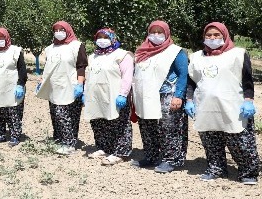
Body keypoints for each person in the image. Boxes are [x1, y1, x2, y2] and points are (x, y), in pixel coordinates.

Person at [185, 22, 259, 184]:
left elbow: (247, 80)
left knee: (240, 141)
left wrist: (248, 100)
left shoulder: (238, 54)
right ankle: (216, 168)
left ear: (224, 35)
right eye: (209, 35)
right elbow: (191, 82)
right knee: (211, 140)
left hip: (233, 106)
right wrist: (189, 100)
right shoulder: (196, 57)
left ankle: (248, 172)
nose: (212, 38)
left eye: (216, 35)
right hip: (205, 107)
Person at [131, 21, 188, 173]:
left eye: (160, 32)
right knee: (147, 126)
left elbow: (183, 75)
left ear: (167, 34)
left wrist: (179, 96)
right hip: (146, 95)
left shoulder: (176, 52)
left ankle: (171, 159)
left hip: (167, 94)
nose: (156, 35)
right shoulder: (142, 52)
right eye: (153, 32)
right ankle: (151, 156)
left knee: (168, 128)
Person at [35, 21, 87, 155]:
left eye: (61, 29)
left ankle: (69, 144)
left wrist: (80, 84)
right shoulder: (50, 48)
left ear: (68, 30)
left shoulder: (76, 46)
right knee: (55, 114)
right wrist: (41, 81)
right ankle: (59, 138)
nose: (58, 32)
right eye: (56, 30)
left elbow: (81, 66)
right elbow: (47, 66)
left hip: (70, 85)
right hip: (54, 86)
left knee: (66, 115)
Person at [83, 28, 133, 165]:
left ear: (113, 38)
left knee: (119, 123)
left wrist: (123, 94)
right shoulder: (93, 56)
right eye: (99, 37)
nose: (102, 40)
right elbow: (89, 75)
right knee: (98, 122)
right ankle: (103, 147)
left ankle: (120, 152)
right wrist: (85, 92)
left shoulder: (122, 55)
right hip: (96, 96)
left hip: (115, 96)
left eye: (106, 37)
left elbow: (127, 76)